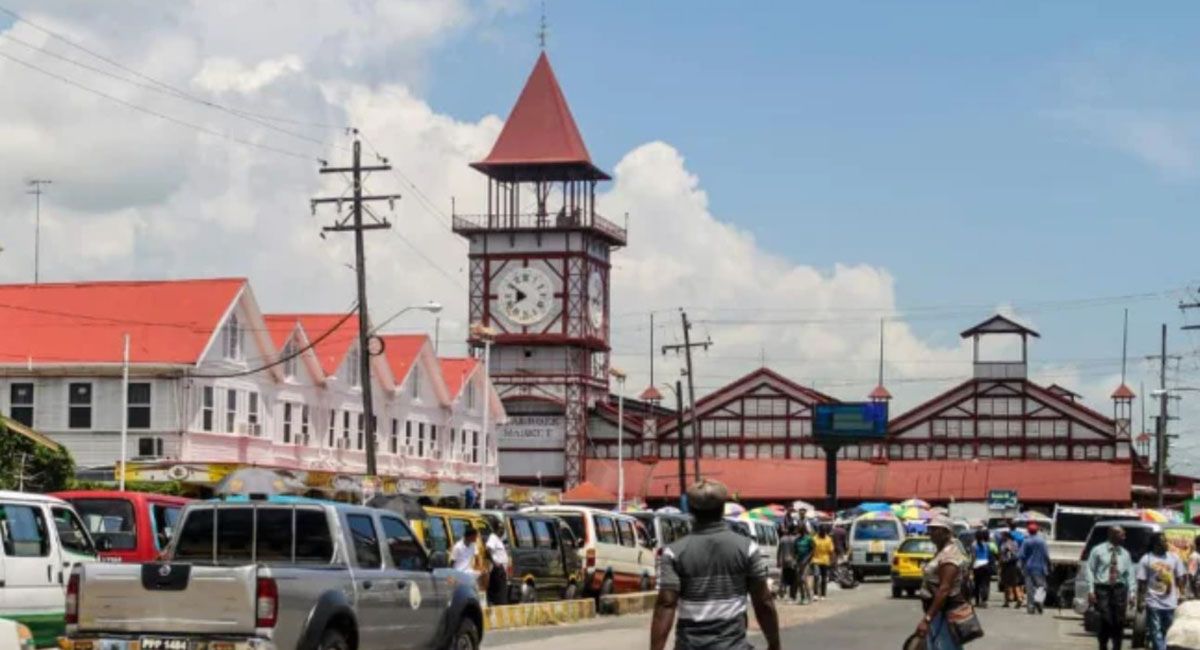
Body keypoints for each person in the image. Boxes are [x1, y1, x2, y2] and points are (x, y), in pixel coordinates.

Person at [650, 479, 780, 650]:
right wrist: (774, 644)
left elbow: (666, 604)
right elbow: (763, 601)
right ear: (722, 508)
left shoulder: (674, 552)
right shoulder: (747, 548)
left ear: (690, 509)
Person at [915, 515, 969, 650]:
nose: (931, 533)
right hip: (939, 613)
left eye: (935, 529)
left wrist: (927, 619)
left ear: (947, 532)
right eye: (930, 529)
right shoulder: (941, 552)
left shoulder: (949, 555)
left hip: (945, 613)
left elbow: (944, 589)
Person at [1086, 525, 1135, 650]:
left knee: (1119, 621)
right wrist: (1091, 590)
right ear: (1112, 535)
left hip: (1119, 590)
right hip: (1102, 589)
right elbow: (1090, 570)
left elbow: (1130, 574)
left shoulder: (1125, 554)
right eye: (1122, 534)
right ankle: (1103, 644)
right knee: (1105, 619)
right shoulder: (1097, 550)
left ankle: (1117, 646)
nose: (1124, 537)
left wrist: (1132, 593)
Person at [1138, 532, 1187, 650]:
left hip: (1170, 603)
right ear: (1156, 544)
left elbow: (1180, 577)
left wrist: (1182, 594)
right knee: (1156, 631)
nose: (1166, 543)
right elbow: (1142, 582)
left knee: (1169, 632)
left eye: (1166, 541)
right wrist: (1140, 600)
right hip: (1153, 602)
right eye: (1163, 541)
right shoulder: (1146, 559)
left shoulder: (1174, 557)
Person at [1018, 522, 1050, 615]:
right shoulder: (1042, 541)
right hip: (1040, 567)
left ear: (1028, 531)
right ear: (1037, 531)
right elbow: (1046, 555)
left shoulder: (1026, 541)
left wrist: (1020, 566)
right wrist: (1049, 564)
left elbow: (1021, 555)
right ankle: (1038, 599)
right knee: (1042, 586)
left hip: (1028, 568)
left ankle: (1031, 608)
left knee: (1029, 589)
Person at [485, 524, 510, 606]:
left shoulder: (499, 539)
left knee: (502, 593)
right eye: (500, 529)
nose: (502, 531)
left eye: (503, 529)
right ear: (496, 529)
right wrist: (494, 562)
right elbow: (488, 550)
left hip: (502, 569)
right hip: (497, 569)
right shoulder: (493, 537)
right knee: (500, 595)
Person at [970, 529, 995, 608]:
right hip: (986, 564)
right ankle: (984, 600)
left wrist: (971, 566)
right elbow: (988, 554)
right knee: (985, 584)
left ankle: (977, 601)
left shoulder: (973, 545)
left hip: (977, 565)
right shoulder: (986, 544)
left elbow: (973, 556)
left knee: (977, 584)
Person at [998, 531, 1024, 608]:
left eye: (1002, 536)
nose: (1001, 537)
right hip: (1014, 565)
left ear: (1006, 536)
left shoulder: (1005, 544)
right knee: (1014, 583)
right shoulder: (1015, 543)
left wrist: (1000, 564)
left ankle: (1008, 601)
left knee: (1007, 583)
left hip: (1007, 565)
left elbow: (1002, 555)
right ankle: (1016, 599)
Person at [811, 525, 835, 601]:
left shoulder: (829, 539)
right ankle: (815, 594)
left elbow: (831, 551)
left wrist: (832, 561)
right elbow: (811, 549)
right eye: (821, 532)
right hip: (815, 560)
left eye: (824, 532)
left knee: (824, 579)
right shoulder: (814, 539)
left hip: (825, 560)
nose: (823, 533)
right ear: (819, 531)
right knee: (816, 576)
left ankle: (823, 594)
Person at [778, 524, 800, 602]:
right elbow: (798, 552)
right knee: (794, 579)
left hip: (784, 561)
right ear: (794, 530)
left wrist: (778, 561)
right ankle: (792, 596)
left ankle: (783, 594)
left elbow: (779, 551)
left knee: (784, 578)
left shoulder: (782, 539)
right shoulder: (796, 539)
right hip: (793, 562)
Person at [794, 524, 815, 605]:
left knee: (803, 578)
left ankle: (808, 597)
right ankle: (803, 597)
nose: (799, 532)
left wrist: (807, 559)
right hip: (799, 561)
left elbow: (813, 550)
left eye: (800, 530)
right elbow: (795, 551)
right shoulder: (797, 540)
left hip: (806, 562)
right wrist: (795, 560)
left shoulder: (809, 539)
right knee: (799, 580)